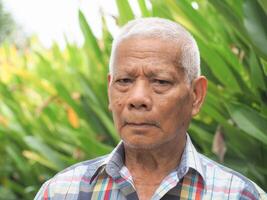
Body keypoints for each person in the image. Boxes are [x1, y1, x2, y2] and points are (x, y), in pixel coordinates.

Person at [35, 17, 266, 200]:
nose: (137, 98)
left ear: (196, 96)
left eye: (161, 82)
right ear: (109, 90)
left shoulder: (238, 195)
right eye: (124, 81)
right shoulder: (62, 192)